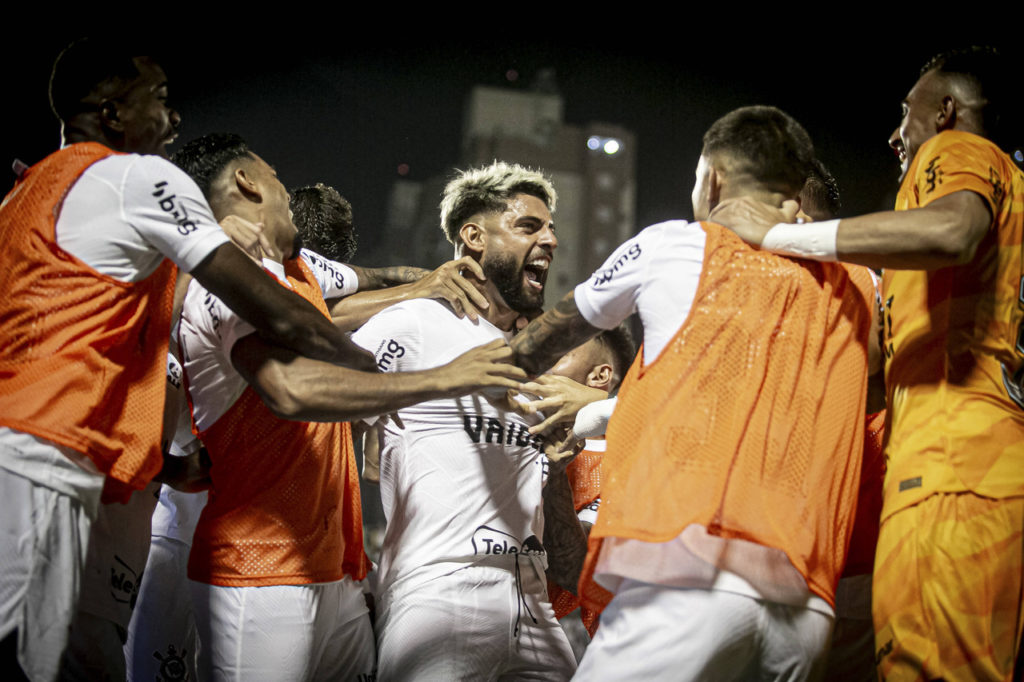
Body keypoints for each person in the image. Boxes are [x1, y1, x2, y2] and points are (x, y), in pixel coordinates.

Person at [0, 39, 367, 681]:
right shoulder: (135, 178)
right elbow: (279, 312)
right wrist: (398, 374)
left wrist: (164, 458)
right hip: (43, 456)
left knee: (87, 664)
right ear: (112, 112)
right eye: (160, 100)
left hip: (97, 474)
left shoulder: (32, 194)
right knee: (30, 659)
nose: (174, 121)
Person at [510, 105, 876, 680]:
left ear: (713, 179)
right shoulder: (864, 288)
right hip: (808, 606)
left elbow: (540, 340)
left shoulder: (675, 245)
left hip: (689, 577)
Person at [713, 47, 1024, 681]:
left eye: (904, 111)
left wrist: (775, 236)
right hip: (979, 465)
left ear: (944, 111)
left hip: (951, 467)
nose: (893, 133)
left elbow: (949, 231)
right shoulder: (997, 211)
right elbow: (862, 382)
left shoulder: (956, 150)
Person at [172, 133, 527, 680]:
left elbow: (376, 280)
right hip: (261, 569)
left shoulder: (297, 274)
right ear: (247, 182)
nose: (288, 193)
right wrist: (442, 378)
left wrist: (428, 282)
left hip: (336, 572)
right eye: (276, 179)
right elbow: (291, 391)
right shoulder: (226, 285)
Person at [350, 161, 578, 680]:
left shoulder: (529, 354)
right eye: (529, 226)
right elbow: (327, 423)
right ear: (473, 236)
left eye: (552, 229)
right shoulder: (413, 322)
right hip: (439, 589)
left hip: (532, 598)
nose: (551, 240)